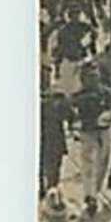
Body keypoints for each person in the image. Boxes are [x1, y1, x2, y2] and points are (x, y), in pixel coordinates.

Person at [69, 62, 111, 217]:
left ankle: (96, 191)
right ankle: (91, 196)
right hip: (88, 133)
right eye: (89, 77)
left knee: (103, 163)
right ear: (83, 79)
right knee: (89, 164)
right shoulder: (78, 96)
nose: (92, 80)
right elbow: (72, 114)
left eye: (95, 76)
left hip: (104, 132)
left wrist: (108, 116)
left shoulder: (107, 93)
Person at [38, 67, 73, 197]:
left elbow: (68, 114)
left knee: (52, 166)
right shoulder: (56, 97)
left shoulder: (58, 96)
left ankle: (50, 190)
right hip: (48, 138)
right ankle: (46, 189)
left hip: (54, 138)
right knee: (47, 166)